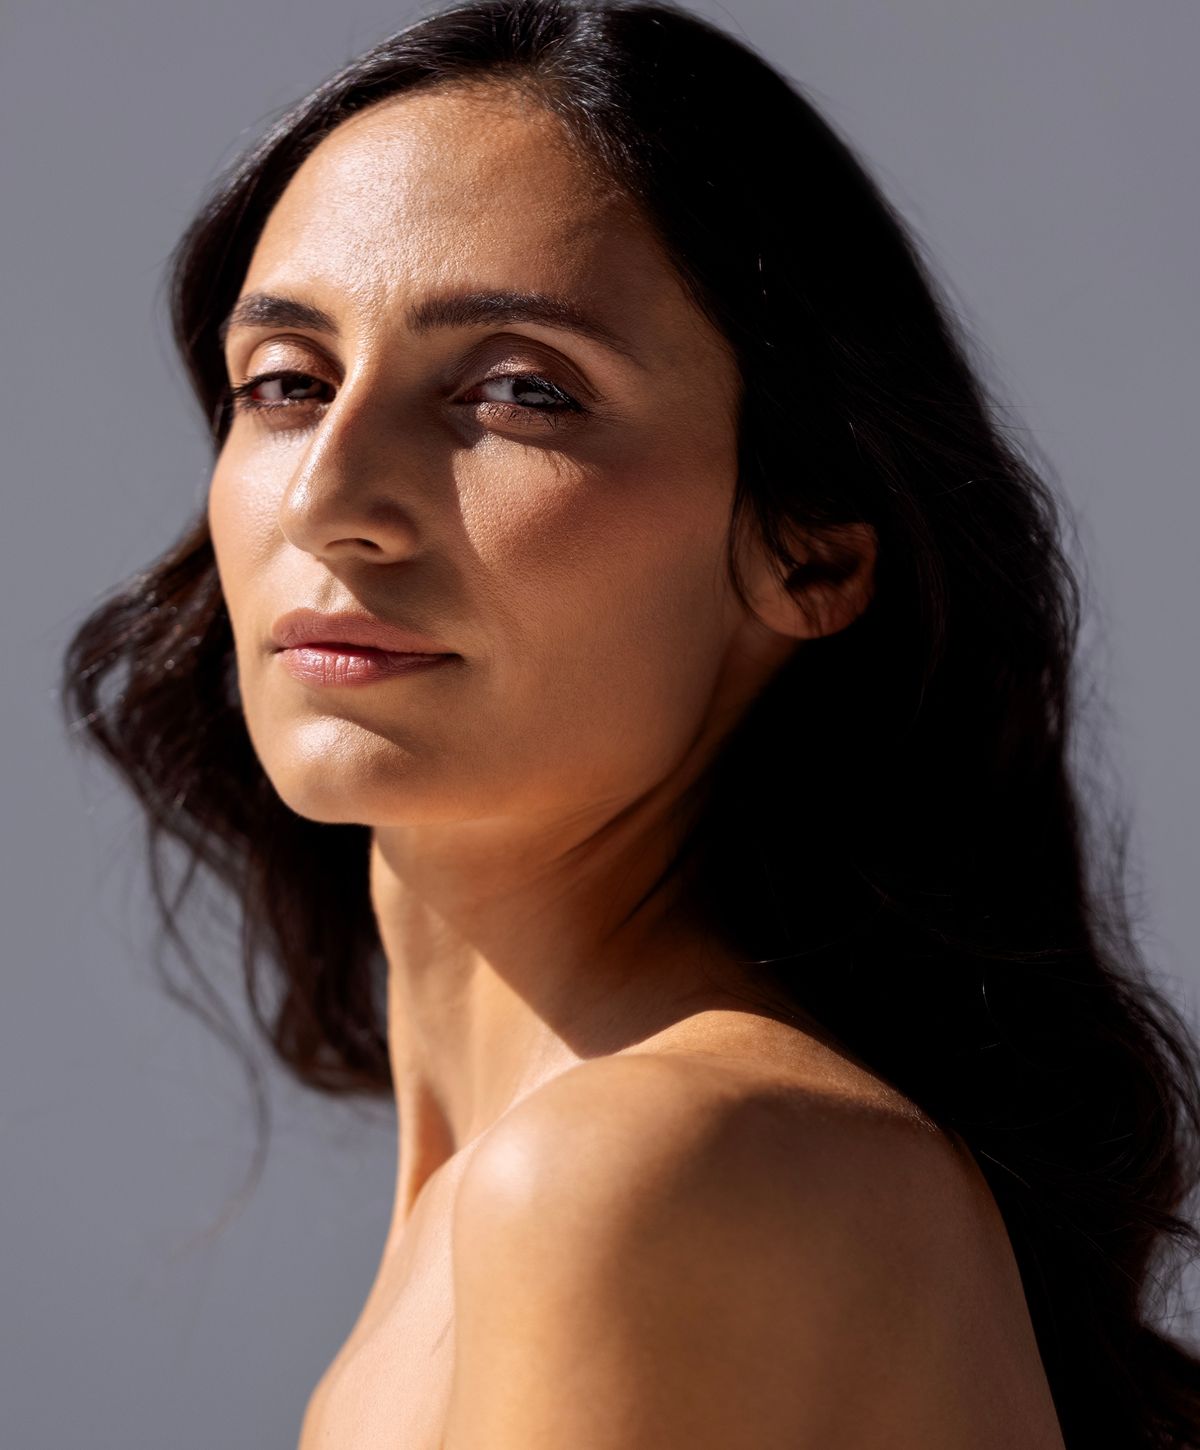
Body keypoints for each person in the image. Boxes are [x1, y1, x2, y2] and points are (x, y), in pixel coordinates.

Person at [60, 1, 1200, 1445]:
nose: (329, 499)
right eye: (286, 383)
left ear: (811, 554)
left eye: (520, 391)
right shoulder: (607, 1173)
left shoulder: (647, 1171)